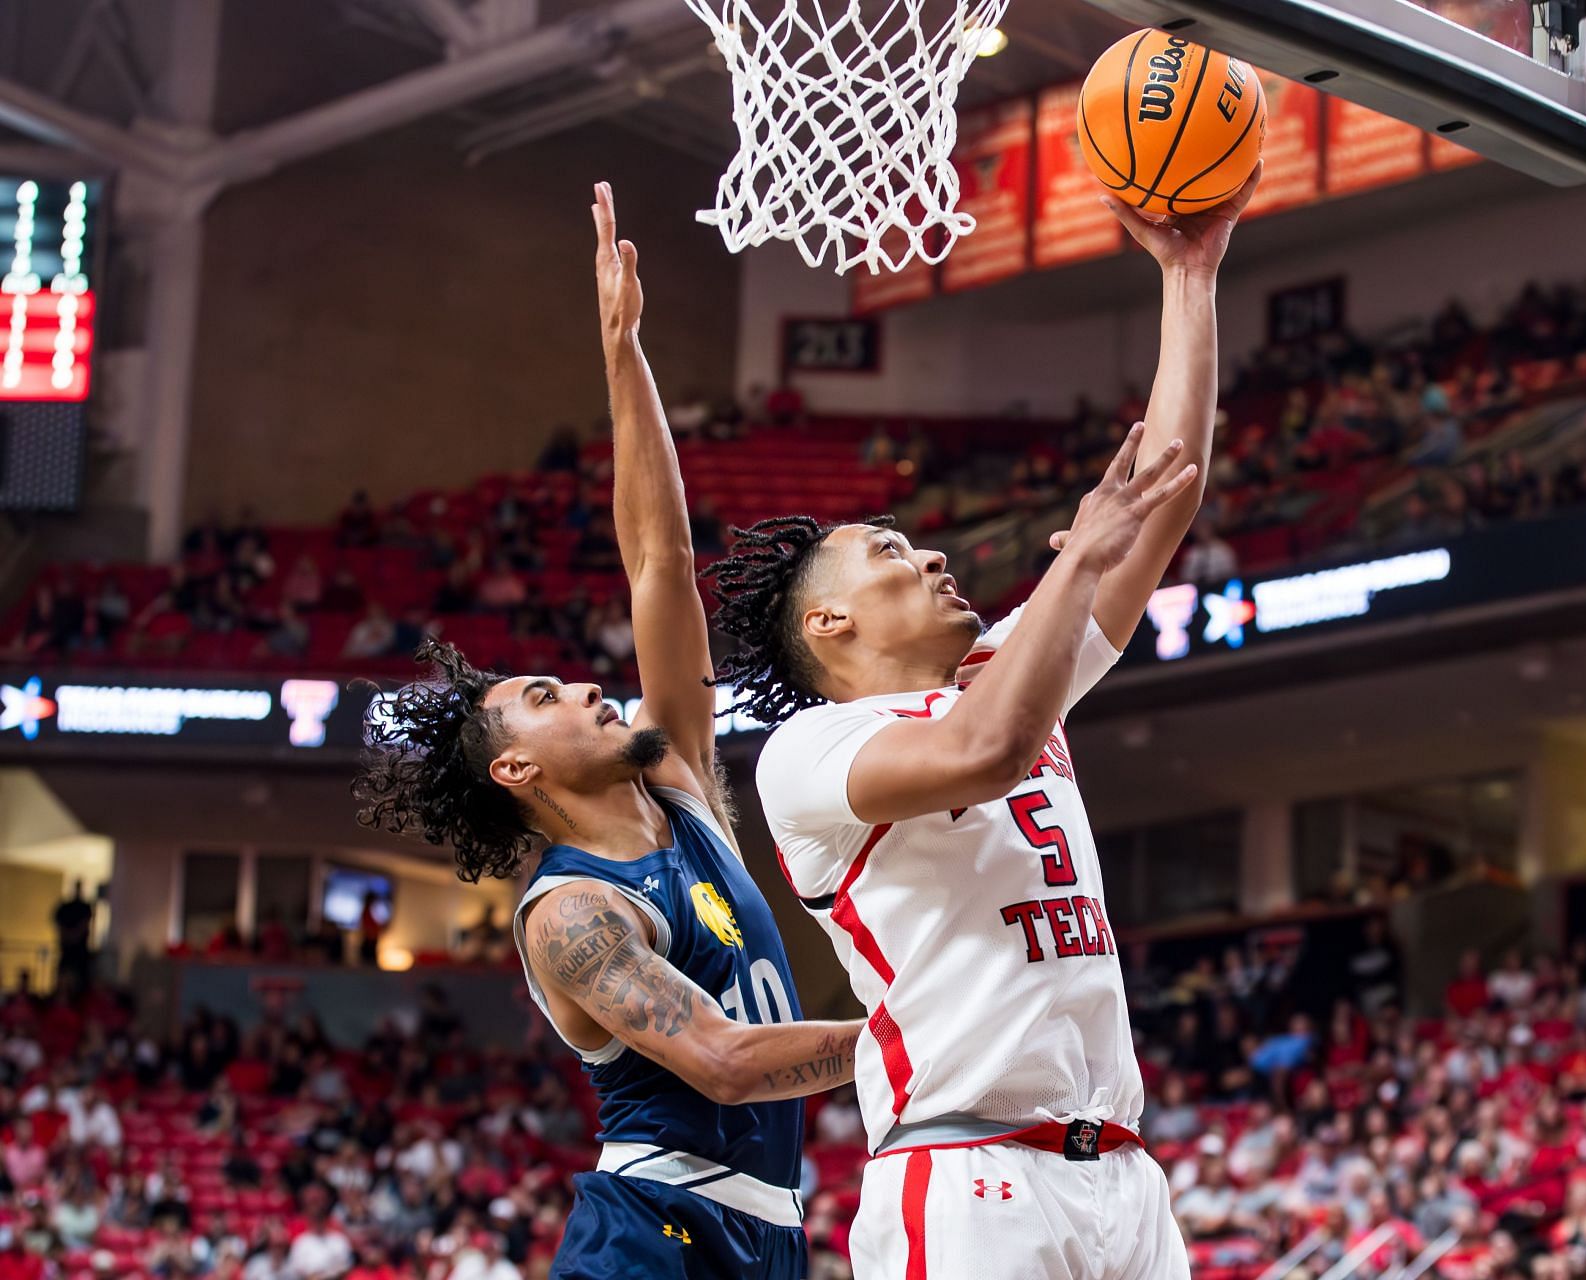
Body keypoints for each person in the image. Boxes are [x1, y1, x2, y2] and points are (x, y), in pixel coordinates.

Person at [707, 168, 1259, 1280]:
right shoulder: (809, 754)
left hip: (1124, 1175)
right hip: (967, 1175)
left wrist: (1190, 276)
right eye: (896, 555)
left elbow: (1166, 490)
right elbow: (986, 750)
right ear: (830, 619)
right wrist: (1083, 556)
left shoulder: (1011, 668)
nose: (936, 555)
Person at [353, 183, 860, 1280]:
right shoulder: (575, 912)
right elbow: (722, 1062)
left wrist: (624, 355)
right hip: (653, 1232)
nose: (583, 685)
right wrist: (924, 1037)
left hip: (767, 1230)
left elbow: (660, 563)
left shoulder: (678, 781)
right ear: (517, 766)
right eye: (541, 695)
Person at [51, 884, 93, 992]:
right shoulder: (66, 907)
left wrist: (72, 936)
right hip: (69, 951)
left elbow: (84, 925)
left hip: (79, 954)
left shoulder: (84, 907)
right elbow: (58, 923)